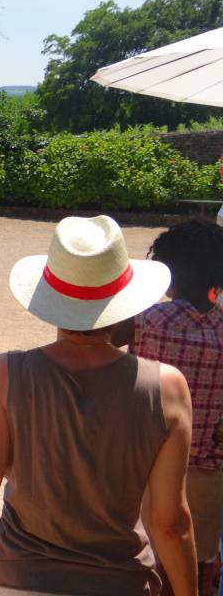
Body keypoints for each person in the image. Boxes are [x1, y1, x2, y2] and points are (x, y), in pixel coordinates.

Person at [0, 215, 197, 596]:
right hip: (119, 582)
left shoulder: (7, 373)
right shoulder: (166, 387)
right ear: (124, 302)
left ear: (51, 298)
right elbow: (170, 523)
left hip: (15, 580)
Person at [113, 219, 223, 596]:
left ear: (168, 275)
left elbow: (98, 337)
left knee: (143, 558)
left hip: (145, 467)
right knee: (199, 559)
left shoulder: (146, 321)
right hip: (207, 470)